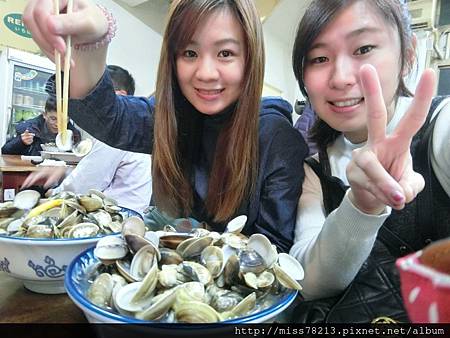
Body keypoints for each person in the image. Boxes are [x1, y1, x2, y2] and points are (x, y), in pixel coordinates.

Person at [23, 0, 308, 252]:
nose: (206, 73)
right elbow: (112, 120)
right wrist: (92, 43)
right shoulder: (171, 116)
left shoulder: (277, 138)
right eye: (189, 53)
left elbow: (275, 248)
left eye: (225, 54)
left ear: (250, 59)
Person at [289, 0, 450, 322]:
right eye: (320, 58)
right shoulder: (314, 168)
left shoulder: (442, 125)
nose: (341, 77)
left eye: (363, 49)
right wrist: (361, 206)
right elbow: (307, 280)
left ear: (407, 55)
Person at [23, 65, 152, 215]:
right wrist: (63, 172)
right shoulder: (128, 127)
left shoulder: (119, 133)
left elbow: (84, 184)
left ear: (119, 95)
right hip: (122, 212)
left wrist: (54, 193)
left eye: (90, 97)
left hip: (122, 218)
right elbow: (92, 172)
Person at [1, 97, 81, 156]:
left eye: (63, 121)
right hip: (31, 172)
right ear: (44, 115)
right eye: (53, 119)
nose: (57, 124)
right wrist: (21, 142)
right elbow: (5, 151)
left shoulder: (74, 135)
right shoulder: (29, 128)